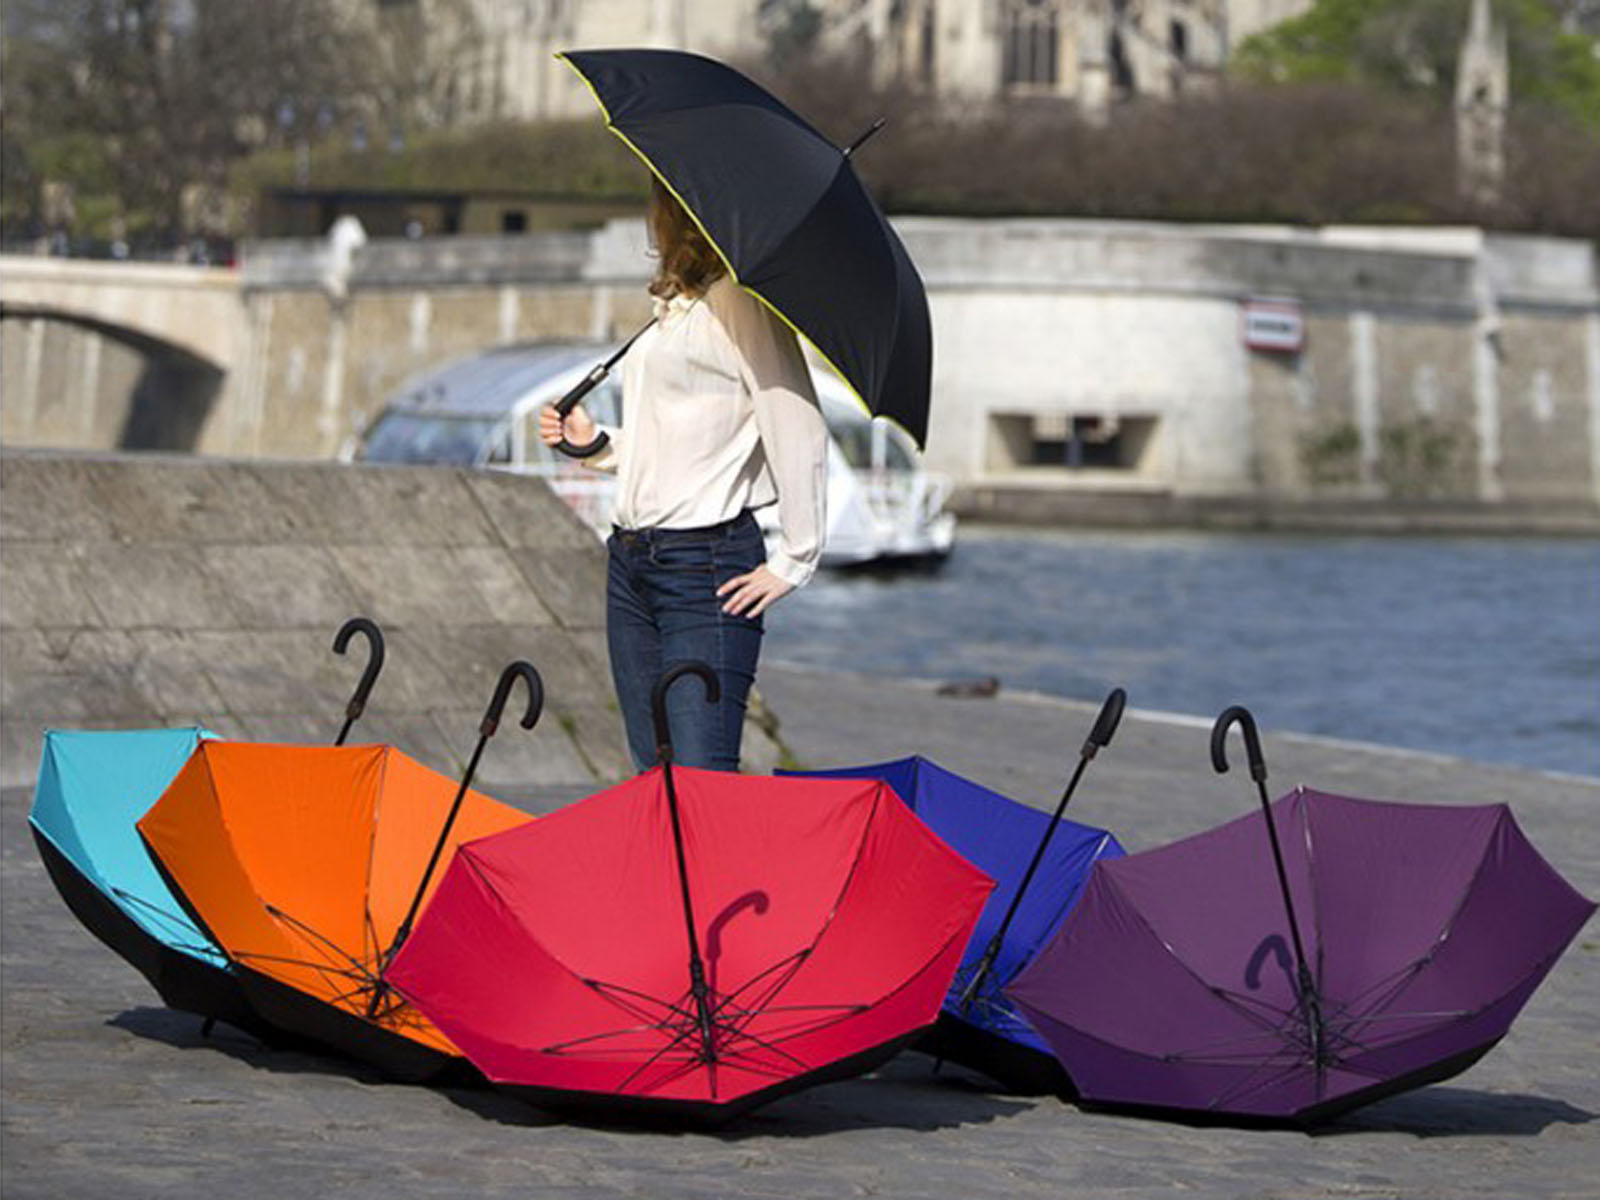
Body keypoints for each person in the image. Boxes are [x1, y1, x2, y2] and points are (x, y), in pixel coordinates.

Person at [539, 177, 827, 773]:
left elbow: (794, 416)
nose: (652, 215)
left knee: (699, 776)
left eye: (658, 200)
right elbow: (678, 439)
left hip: (705, 564)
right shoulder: (675, 308)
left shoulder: (740, 303)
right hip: (632, 560)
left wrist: (796, 558)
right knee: (654, 775)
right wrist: (595, 445)